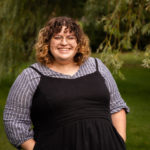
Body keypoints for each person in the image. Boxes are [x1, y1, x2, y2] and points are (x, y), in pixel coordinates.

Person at [3, 16, 129, 150]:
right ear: (47, 42)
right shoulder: (31, 76)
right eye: (57, 37)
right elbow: (13, 120)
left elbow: (116, 107)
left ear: (78, 42)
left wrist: (119, 141)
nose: (64, 42)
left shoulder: (97, 67)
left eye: (70, 37)